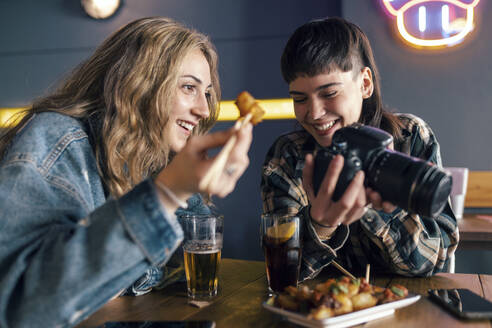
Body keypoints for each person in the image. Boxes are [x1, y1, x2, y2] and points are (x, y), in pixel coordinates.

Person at [0, 17, 252, 327]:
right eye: (189, 87)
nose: (203, 110)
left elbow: (190, 259)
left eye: (207, 93)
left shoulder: (153, 158)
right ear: (140, 84)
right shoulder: (57, 139)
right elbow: (19, 306)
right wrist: (166, 194)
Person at [260, 17, 458, 281]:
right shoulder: (288, 155)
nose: (315, 113)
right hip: (321, 312)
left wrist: (375, 204)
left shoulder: (409, 137)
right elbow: (282, 273)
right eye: (300, 99)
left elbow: (435, 260)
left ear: (365, 83)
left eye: (329, 93)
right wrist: (321, 226)